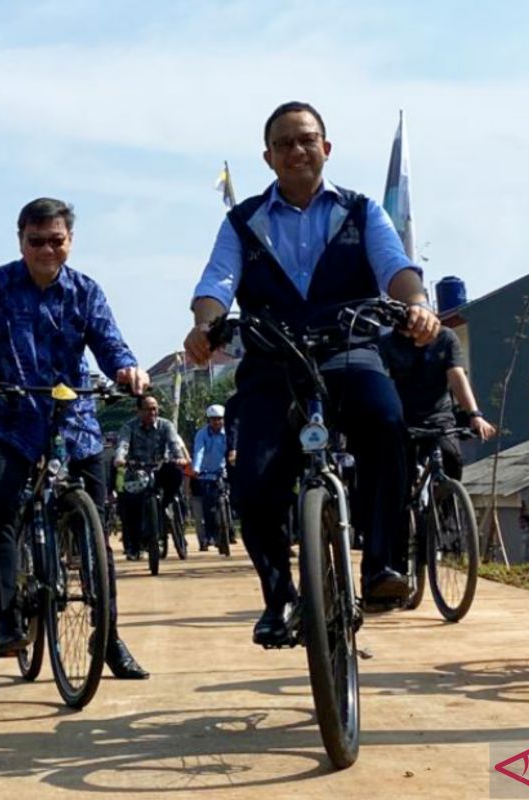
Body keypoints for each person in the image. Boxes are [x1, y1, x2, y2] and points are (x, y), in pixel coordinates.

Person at [184, 101, 441, 645]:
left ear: (326, 147)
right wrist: (205, 327)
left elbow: (396, 269)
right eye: (284, 144)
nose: (297, 151)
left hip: (349, 348)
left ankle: (382, 565)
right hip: (273, 358)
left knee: (386, 422)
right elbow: (216, 283)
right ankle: (279, 598)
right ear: (268, 157)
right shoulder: (242, 220)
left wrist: (416, 305)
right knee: (253, 483)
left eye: (307, 140)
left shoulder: (363, 210)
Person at [0, 196, 151, 679]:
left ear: (70, 241)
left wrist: (126, 368)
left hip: (75, 420)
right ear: (20, 241)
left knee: (97, 536)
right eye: (35, 241)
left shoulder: (85, 291)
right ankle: (8, 616)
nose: (46, 250)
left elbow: (109, 341)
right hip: (14, 417)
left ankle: (108, 639)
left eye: (55, 241)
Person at [380, 326, 497, 479]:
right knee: (403, 473)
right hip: (403, 418)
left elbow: (456, 376)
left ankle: (449, 497)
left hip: (439, 416)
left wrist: (475, 415)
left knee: (452, 457)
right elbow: (383, 383)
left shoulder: (445, 337)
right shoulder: (388, 343)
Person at [114, 395, 188, 560]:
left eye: (154, 408)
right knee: (129, 504)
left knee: (176, 473)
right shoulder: (129, 427)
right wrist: (120, 458)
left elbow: (174, 444)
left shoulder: (165, 425)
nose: (152, 412)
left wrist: (179, 457)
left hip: (160, 468)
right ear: (139, 410)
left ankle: (166, 506)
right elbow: (123, 445)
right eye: (148, 409)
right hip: (137, 471)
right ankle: (133, 546)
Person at [193, 404, 230, 550]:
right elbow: (199, 451)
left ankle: (231, 530)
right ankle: (211, 535)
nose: (217, 422)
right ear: (208, 420)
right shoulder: (201, 434)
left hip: (224, 471)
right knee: (209, 507)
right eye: (213, 419)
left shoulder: (228, 433)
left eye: (220, 419)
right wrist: (196, 468)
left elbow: (232, 449)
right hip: (206, 474)